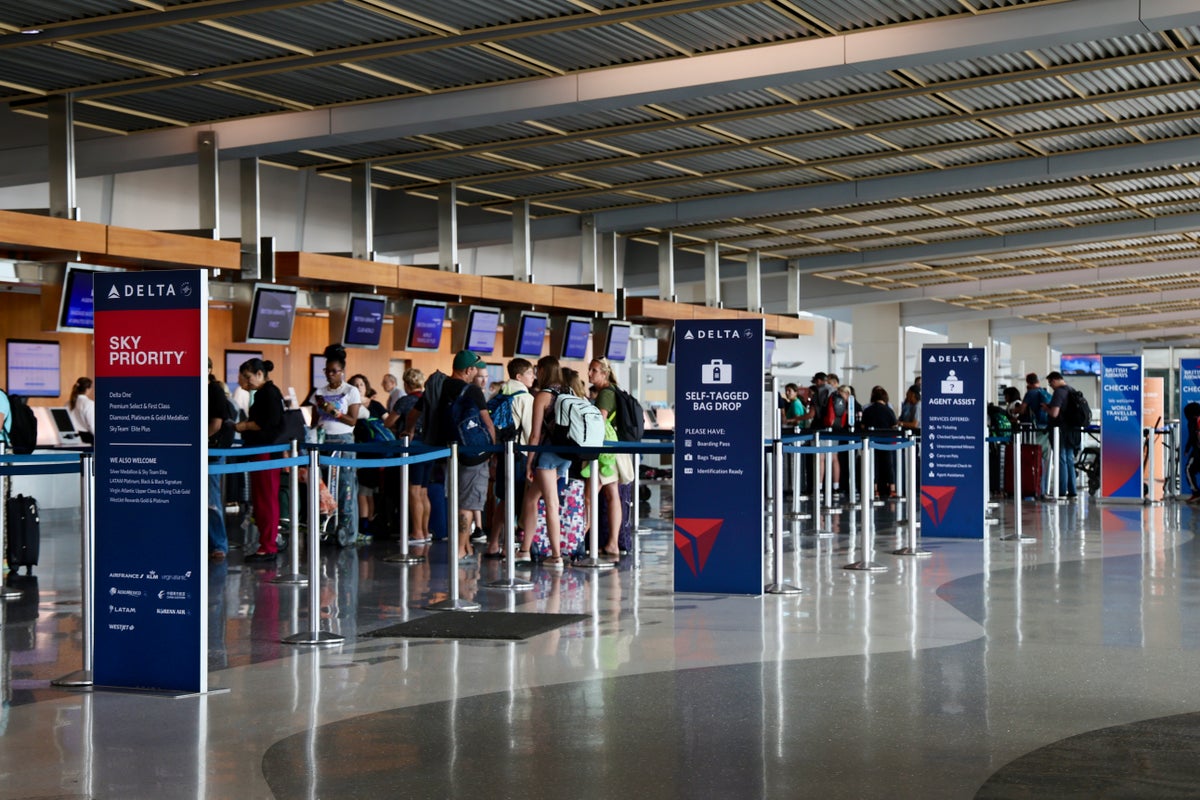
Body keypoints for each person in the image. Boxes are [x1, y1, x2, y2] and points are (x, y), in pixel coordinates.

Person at [435, 350, 495, 561]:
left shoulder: (440, 386)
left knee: (456, 500)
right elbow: (487, 424)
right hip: (473, 454)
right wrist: (492, 451)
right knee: (468, 503)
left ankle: (465, 545)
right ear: (468, 370)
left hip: (449, 452)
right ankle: (460, 550)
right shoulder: (472, 391)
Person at [519, 355, 569, 568]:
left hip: (548, 455)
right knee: (531, 499)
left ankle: (556, 555)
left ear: (543, 372)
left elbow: (534, 435)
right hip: (567, 454)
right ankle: (524, 550)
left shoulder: (543, 396)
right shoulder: (570, 392)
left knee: (551, 503)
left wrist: (530, 462)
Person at [309, 344, 362, 546]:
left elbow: (352, 420)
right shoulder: (319, 393)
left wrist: (334, 411)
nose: (330, 375)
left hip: (344, 442)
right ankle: (327, 526)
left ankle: (347, 531)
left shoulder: (351, 391)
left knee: (345, 487)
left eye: (334, 371)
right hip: (324, 442)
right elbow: (315, 421)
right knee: (324, 488)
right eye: (327, 371)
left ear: (342, 371)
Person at [234, 358, 285, 564]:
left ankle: (268, 545)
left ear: (259, 374)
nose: (245, 381)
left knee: (266, 500)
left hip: (266, 453)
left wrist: (245, 427)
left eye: (248, 377)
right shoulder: (264, 393)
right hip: (262, 452)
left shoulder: (268, 394)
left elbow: (269, 424)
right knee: (263, 500)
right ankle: (266, 543)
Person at [484, 358, 535, 558]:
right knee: (515, 500)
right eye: (530, 373)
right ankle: (507, 546)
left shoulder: (501, 393)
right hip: (520, 455)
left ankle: (493, 543)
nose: (533, 377)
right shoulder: (525, 398)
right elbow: (531, 432)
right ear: (519, 376)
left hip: (503, 452)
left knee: (504, 499)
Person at [588, 357, 632, 558]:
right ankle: (612, 542)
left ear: (604, 374)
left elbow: (599, 421)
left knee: (590, 496)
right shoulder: (614, 390)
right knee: (612, 495)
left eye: (594, 370)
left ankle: (585, 540)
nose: (590, 374)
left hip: (605, 453)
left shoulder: (605, 394)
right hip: (613, 451)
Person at [393, 368, 432, 544]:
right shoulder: (430, 399)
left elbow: (388, 422)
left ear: (407, 384)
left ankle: (416, 533)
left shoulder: (405, 401)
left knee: (414, 491)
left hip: (414, 447)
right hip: (430, 446)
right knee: (423, 491)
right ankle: (425, 531)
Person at [350, 373, 387, 537]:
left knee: (364, 491)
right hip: (364, 451)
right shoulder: (351, 405)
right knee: (368, 490)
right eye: (356, 385)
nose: (359, 387)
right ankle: (369, 523)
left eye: (361, 384)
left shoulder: (374, 405)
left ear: (366, 387)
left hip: (370, 452)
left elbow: (388, 423)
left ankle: (365, 525)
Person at [206, 360, 231, 562]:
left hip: (211, 451)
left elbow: (216, 424)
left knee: (211, 500)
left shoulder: (214, 391)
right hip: (200, 449)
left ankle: (218, 544)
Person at [1045, 371, 1080, 498]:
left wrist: (1046, 408)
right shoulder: (1071, 390)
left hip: (1060, 430)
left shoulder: (1059, 392)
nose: (1051, 386)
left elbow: (1054, 413)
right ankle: (1072, 490)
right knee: (1069, 459)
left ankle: (1061, 490)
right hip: (1072, 431)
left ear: (1054, 380)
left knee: (1061, 459)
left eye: (1050, 383)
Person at [860, 386, 898, 499]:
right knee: (889, 466)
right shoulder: (889, 410)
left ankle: (875, 489)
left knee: (873, 465)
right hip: (886, 441)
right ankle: (892, 489)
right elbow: (894, 426)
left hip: (871, 441)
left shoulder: (868, 410)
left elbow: (863, 426)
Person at [1017, 373, 1051, 496]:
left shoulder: (1030, 393)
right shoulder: (1044, 392)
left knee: (1034, 457)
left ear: (1028, 382)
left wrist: (1014, 410)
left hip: (1036, 430)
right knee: (1044, 458)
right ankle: (1043, 488)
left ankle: (1034, 488)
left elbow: (1022, 409)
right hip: (1047, 428)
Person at [67, 377, 95, 443]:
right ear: (88, 389)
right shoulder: (89, 403)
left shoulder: (68, 403)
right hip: (87, 439)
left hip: (72, 438)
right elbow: (91, 425)